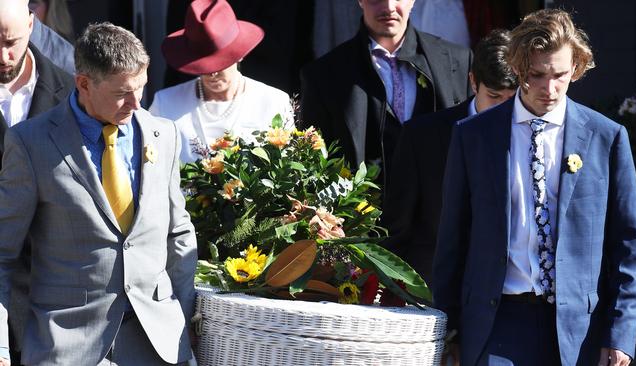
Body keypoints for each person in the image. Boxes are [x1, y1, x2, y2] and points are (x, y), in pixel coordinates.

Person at [432, 9, 636, 366]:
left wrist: (621, 333)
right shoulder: (474, 136)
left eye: (560, 75)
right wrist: (449, 328)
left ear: (576, 68)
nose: (549, 89)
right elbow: (452, 238)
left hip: (578, 329)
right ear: (517, 68)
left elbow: (629, 247)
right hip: (495, 321)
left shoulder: (606, 138)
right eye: (537, 75)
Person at [0, 22, 197, 365]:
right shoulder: (30, 143)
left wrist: (183, 321)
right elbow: (2, 253)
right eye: (122, 93)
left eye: (142, 88)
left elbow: (178, 234)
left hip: (158, 345)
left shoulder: (163, 134)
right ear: (84, 84)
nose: (136, 103)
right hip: (66, 346)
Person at [382, 29, 517, 288]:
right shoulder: (423, 137)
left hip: (508, 294)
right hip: (435, 289)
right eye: (495, 97)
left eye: (513, 99)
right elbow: (397, 228)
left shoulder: (537, 134)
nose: (504, 109)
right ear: (473, 82)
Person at [300, 0, 472, 191]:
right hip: (362, 213)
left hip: (438, 212)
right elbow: (314, 164)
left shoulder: (457, 62)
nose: (389, 7)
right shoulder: (323, 76)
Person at [0, 1, 74, 363]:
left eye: (10, 41)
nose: (3, 55)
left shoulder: (74, 92)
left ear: (33, 24)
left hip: (52, 301)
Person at [151, 0, 294, 164]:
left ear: (239, 54)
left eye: (221, 63)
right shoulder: (165, 103)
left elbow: (288, 170)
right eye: (203, 64)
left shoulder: (273, 102)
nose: (212, 73)